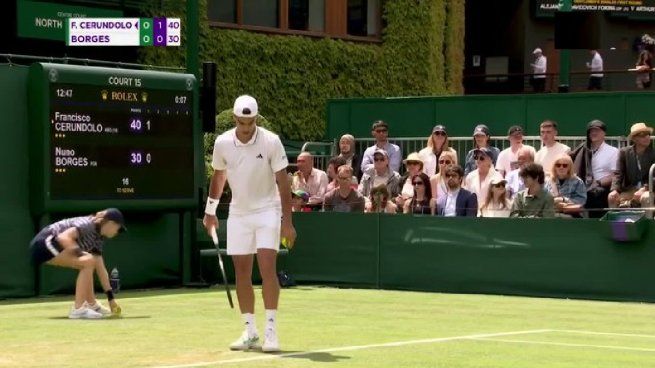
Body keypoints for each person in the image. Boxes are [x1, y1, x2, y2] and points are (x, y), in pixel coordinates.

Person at [204, 95, 296, 353]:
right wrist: (210, 211)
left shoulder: (271, 141)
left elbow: (283, 182)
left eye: (251, 122)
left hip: (268, 210)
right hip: (239, 214)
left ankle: (271, 330)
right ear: (235, 119)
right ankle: (250, 330)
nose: (247, 127)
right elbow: (219, 178)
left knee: (267, 268)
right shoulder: (222, 143)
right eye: (243, 122)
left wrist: (287, 222)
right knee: (242, 273)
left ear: (256, 119)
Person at [29, 208, 126, 319]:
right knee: (88, 261)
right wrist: (80, 253)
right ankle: (78, 310)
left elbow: (100, 267)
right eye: (118, 228)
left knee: (90, 262)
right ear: (111, 223)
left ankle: (92, 305)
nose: (117, 232)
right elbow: (63, 237)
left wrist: (111, 299)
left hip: (53, 245)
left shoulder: (98, 238)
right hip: (44, 243)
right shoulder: (87, 224)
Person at [570, 120, 618, 218]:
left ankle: (597, 226)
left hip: (602, 187)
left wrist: (598, 182)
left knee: (594, 194)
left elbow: (615, 175)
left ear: (604, 133)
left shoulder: (613, 151)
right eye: (591, 131)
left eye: (597, 130)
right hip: (582, 185)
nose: (594, 133)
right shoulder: (582, 149)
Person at [608, 122, 655, 211]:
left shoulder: (653, 154)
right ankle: (617, 225)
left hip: (649, 189)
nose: (647, 137)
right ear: (634, 138)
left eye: (648, 134)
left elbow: (654, 177)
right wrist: (614, 189)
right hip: (630, 188)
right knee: (612, 197)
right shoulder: (624, 152)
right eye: (642, 135)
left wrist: (644, 189)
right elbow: (618, 173)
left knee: (646, 198)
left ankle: (646, 224)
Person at [463, 147, 503, 212]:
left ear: (490, 160)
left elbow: (499, 199)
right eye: (476, 157)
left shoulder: (497, 177)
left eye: (482, 158)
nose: (478, 160)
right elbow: (467, 196)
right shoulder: (470, 176)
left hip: (492, 214)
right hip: (473, 215)